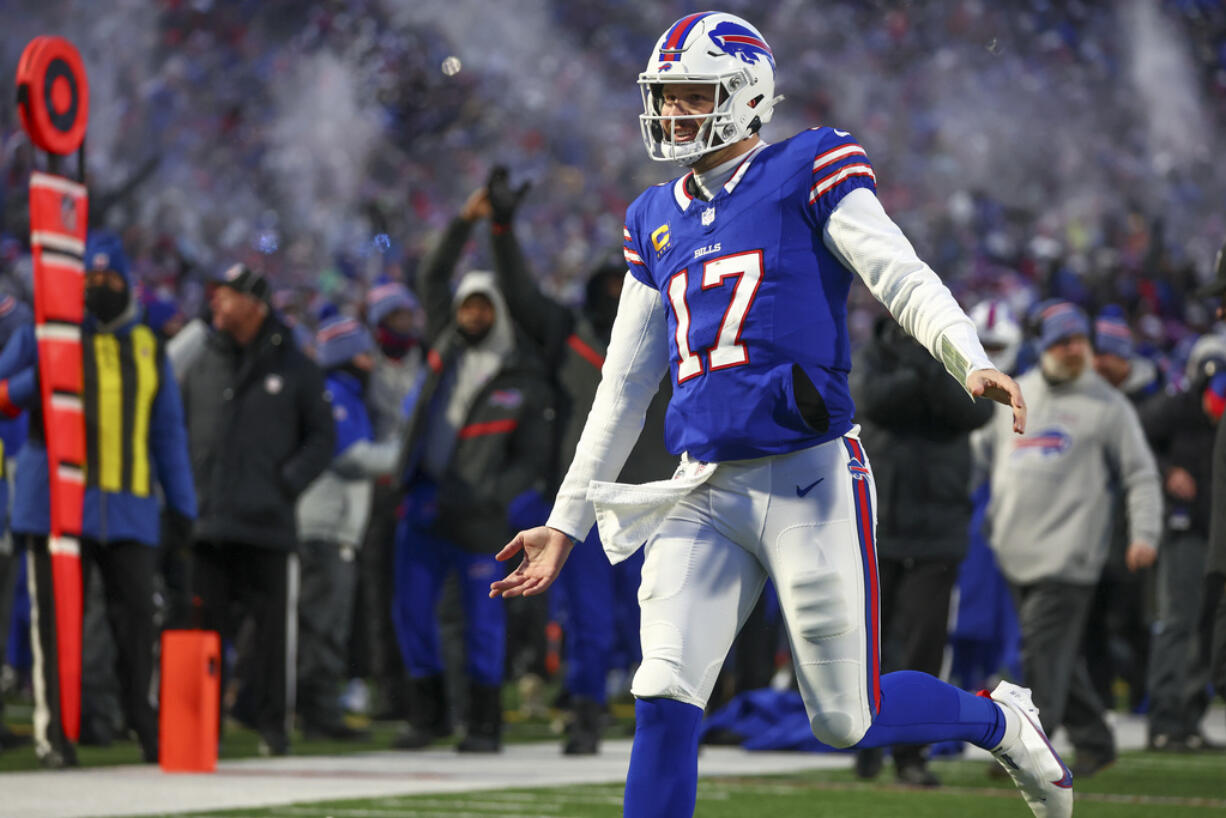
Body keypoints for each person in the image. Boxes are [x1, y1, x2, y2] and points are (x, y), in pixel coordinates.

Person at [489, 12, 1069, 818]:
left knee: (844, 717)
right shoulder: (652, 217)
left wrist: (965, 353)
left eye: (693, 95)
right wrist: (566, 521)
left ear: (747, 94)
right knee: (662, 692)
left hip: (810, 476)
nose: (674, 114)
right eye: (667, 97)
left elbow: (897, 273)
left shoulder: (808, 165)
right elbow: (622, 391)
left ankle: (1003, 720)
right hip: (701, 490)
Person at [478, 166, 673, 754]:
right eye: (610, 292)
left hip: (654, 498)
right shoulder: (570, 335)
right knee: (591, 618)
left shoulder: (676, 331)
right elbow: (519, 295)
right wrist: (503, 228)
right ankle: (588, 711)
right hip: (590, 504)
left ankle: (663, 717)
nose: (618, 299)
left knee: (656, 620)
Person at [0, 232, 196, 767]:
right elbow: (5, 395)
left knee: (136, 627)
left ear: (128, 283)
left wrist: (183, 508)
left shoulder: (149, 348)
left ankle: (147, 728)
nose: (100, 287)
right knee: (57, 629)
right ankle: (54, 736)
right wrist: (40, 377)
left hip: (131, 508)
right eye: (90, 278)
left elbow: (168, 436)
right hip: (54, 509)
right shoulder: (47, 334)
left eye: (110, 278)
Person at [391, 200, 555, 754]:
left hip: (482, 515)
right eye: (468, 306)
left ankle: (485, 725)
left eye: (484, 306)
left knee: (484, 621)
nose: (474, 315)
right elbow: (432, 274)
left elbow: (532, 455)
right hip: (425, 500)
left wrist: (496, 497)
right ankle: (428, 717)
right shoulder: (443, 347)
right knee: (411, 611)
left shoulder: (521, 371)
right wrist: (464, 220)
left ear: (497, 311)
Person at [973, 301, 1162, 779]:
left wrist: (1145, 533)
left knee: (1040, 653)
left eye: (1080, 340)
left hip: (1070, 556)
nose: (1074, 350)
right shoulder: (1016, 394)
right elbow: (979, 457)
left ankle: (1026, 750)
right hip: (1015, 551)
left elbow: (1140, 475)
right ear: (1044, 346)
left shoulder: (1108, 405)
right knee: (1055, 657)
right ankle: (1096, 741)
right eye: (1063, 341)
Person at [180, 262, 334, 756]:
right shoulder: (200, 362)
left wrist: (284, 484)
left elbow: (323, 437)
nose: (216, 304)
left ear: (254, 304)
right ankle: (201, 728)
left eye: (226, 296)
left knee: (270, 640)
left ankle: (272, 727)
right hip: (208, 522)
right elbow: (175, 427)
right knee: (203, 632)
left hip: (267, 523)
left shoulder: (295, 366)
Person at [850, 316, 994, 787]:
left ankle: (910, 752)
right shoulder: (874, 353)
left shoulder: (960, 352)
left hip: (939, 524)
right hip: (880, 521)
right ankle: (865, 740)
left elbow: (977, 412)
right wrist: (928, 375)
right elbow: (872, 401)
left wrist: (927, 372)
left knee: (924, 645)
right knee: (870, 640)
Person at [295, 315, 396, 740]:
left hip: (332, 525)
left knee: (326, 623)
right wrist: (399, 450)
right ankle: (318, 715)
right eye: (360, 352)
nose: (368, 360)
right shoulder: (337, 394)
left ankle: (313, 708)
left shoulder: (345, 392)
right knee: (323, 624)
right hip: (325, 525)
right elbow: (353, 457)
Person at [1140, 340, 1225, 751]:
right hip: (1185, 531)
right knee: (1178, 623)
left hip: (1216, 535)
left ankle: (1188, 720)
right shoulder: (1177, 409)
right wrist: (1167, 471)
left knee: (1207, 629)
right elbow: (1135, 437)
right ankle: (1164, 721)